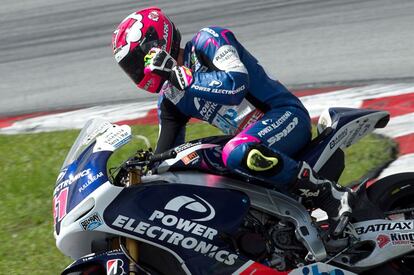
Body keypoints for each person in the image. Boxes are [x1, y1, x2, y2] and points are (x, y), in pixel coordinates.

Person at [112, 7, 353, 235]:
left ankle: (328, 194)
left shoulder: (208, 40)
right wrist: (137, 179)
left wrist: (178, 75)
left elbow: (235, 85)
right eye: (129, 67)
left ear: (155, 44)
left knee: (235, 151)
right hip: (250, 143)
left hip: (285, 116)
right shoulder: (170, 98)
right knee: (196, 165)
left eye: (136, 60)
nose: (136, 70)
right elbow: (165, 158)